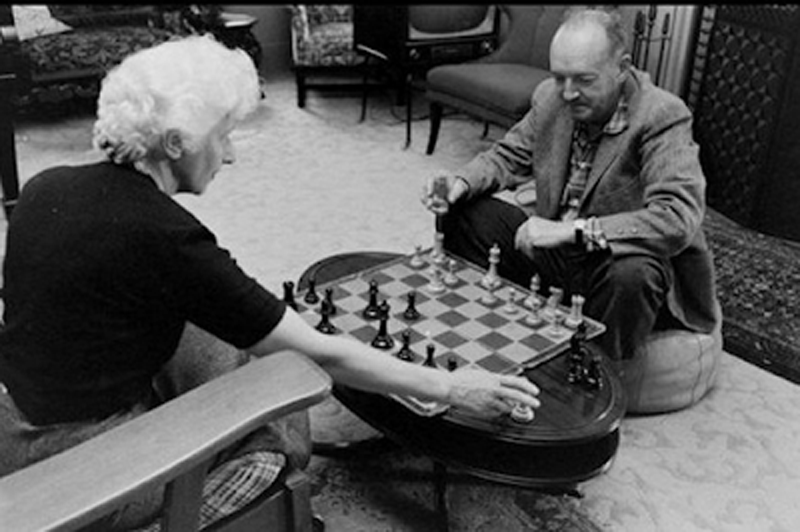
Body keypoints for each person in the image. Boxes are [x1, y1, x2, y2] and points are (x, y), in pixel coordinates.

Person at [0, 35, 539, 530]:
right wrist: (452, 388)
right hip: (76, 473)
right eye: (223, 136)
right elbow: (322, 354)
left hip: (15, 430)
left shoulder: (47, 185)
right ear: (175, 143)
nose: (232, 154)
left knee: (241, 338)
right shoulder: (167, 238)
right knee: (279, 436)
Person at [421, 7, 720, 386]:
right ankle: (487, 334)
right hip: (555, 256)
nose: (568, 92)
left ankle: (592, 379)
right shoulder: (551, 98)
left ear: (622, 68)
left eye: (584, 80)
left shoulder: (662, 115)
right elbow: (507, 156)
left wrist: (571, 230)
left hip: (610, 265)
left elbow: (677, 218)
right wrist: (459, 183)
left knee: (634, 274)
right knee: (462, 212)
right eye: (559, 77)